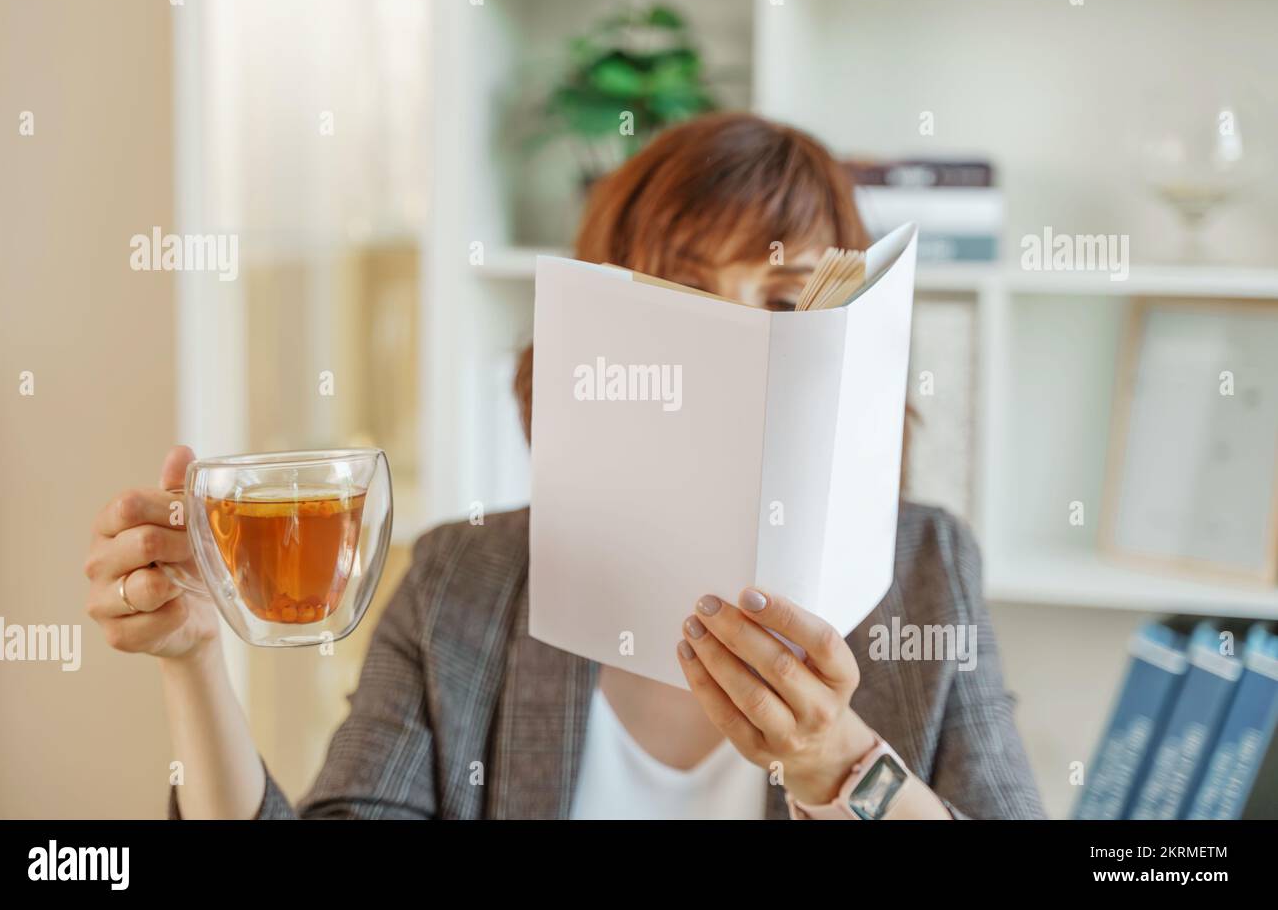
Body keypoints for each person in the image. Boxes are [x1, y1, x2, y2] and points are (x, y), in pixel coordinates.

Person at [84, 112, 1045, 820]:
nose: (742, 343)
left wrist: (837, 764)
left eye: (786, 307)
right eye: (688, 296)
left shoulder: (926, 571)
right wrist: (195, 663)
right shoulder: (462, 580)